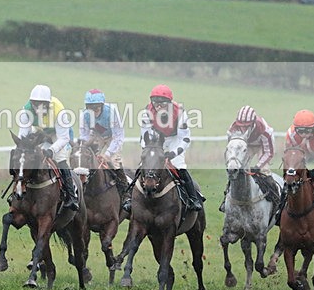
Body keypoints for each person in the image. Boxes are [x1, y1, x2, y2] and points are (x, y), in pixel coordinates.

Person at [129, 84, 204, 214]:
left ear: (169, 103)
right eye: (155, 102)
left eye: (162, 103)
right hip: (156, 140)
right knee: (144, 165)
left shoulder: (180, 112)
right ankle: (129, 199)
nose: (158, 106)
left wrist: (172, 153)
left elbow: (185, 139)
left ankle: (193, 198)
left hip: (176, 140)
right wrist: (150, 151)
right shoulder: (147, 112)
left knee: (179, 166)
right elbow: (144, 135)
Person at [17, 84, 79, 211]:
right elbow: (23, 135)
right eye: (36, 104)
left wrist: (51, 150)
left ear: (48, 103)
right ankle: (18, 188)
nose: (39, 107)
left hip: (59, 135)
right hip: (41, 133)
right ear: (31, 102)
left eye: (42, 104)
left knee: (60, 159)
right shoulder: (26, 110)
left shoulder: (59, 110)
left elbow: (63, 138)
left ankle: (71, 196)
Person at [220, 105, 280, 212]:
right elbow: (231, 149)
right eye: (241, 125)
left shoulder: (265, 130)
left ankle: (276, 199)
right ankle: (226, 199)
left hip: (263, 146)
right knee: (236, 169)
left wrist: (258, 166)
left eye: (246, 126)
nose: (243, 128)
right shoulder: (233, 129)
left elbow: (268, 152)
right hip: (247, 145)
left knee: (264, 171)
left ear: (253, 123)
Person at [80, 89, 129, 208]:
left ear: (102, 105)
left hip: (113, 137)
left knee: (113, 161)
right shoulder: (84, 115)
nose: (94, 111)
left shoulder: (112, 112)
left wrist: (107, 154)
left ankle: (126, 193)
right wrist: (87, 149)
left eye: (96, 108)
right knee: (86, 158)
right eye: (90, 108)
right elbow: (84, 135)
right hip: (97, 136)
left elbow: (118, 136)